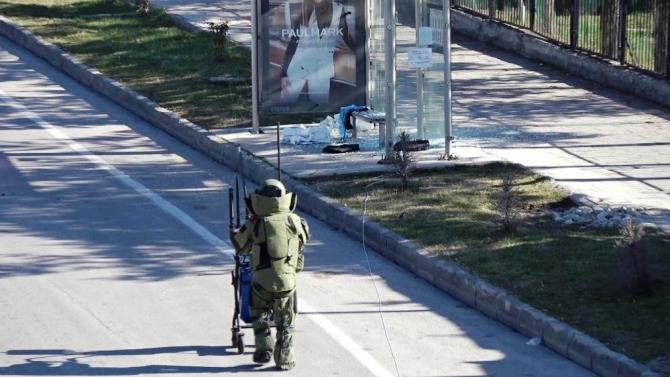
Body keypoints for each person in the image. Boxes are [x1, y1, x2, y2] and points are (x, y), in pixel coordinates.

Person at [230, 179, 310, 371]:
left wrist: (233, 234)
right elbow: (303, 241)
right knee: (286, 323)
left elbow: (240, 247)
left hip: (262, 284)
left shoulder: (255, 223)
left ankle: (263, 347)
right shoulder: (296, 221)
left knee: (258, 314)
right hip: (287, 284)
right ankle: (284, 360)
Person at [280, 0, 356, 105]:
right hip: (298, 66)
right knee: (286, 102)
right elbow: (293, 43)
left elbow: (346, 36)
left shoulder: (338, 9)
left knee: (320, 106)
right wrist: (283, 73)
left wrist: (361, 52)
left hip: (321, 68)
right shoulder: (305, 8)